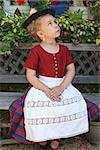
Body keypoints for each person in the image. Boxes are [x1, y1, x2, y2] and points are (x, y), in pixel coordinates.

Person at [8, 6, 99, 150]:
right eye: (50, 23)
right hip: (42, 85)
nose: (56, 25)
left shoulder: (63, 49)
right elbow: (31, 76)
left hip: (62, 84)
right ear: (41, 33)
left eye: (55, 22)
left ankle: (56, 141)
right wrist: (47, 90)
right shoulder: (36, 51)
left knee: (67, 104)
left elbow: (70, 69)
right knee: (40, 107)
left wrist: (61, 87)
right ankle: (43, 140)